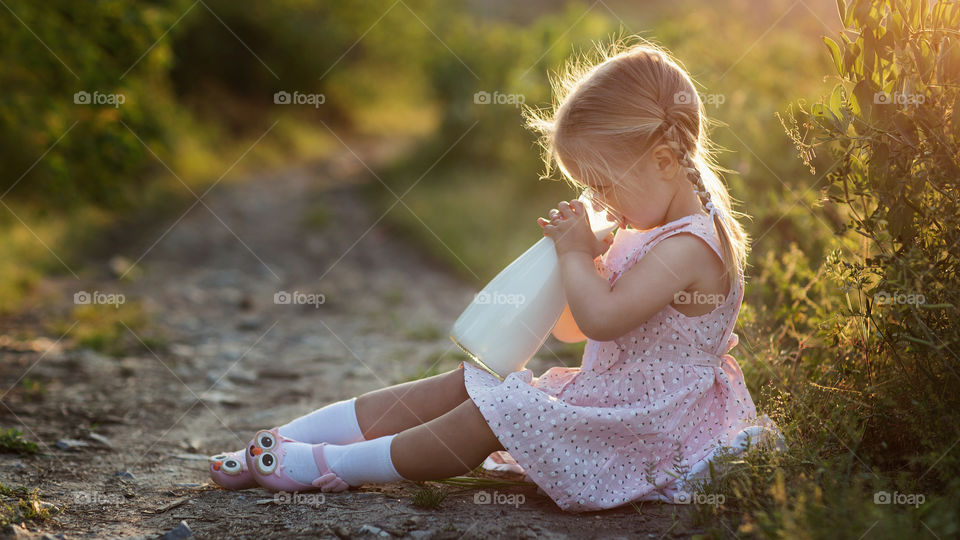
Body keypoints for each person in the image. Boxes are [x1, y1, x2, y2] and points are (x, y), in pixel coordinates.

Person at [208, 38, 781, 512]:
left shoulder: (690, 246)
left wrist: (579, 257)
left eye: (604, 186)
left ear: (662, 161)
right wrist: (567, 264)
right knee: (472, 382)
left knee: (500, 408)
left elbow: (602, 320)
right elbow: (570, 330)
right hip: (609, 403)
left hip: (648, 432)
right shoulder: (646, 230)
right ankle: (292, 437)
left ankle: (327, 466)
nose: (600, 202)